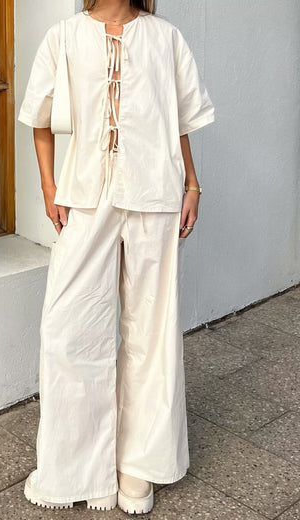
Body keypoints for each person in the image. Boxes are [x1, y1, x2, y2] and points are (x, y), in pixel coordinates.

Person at [18, 0, 215, 514]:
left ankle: (138, 466)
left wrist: (193, 183)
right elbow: (38, 116)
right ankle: (82, 468)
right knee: (68, 328)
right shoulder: (64, 36)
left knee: (151, 329)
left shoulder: (164, 37)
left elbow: (179, 121)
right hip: (86, 195)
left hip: (155, 192)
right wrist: (48, 184)